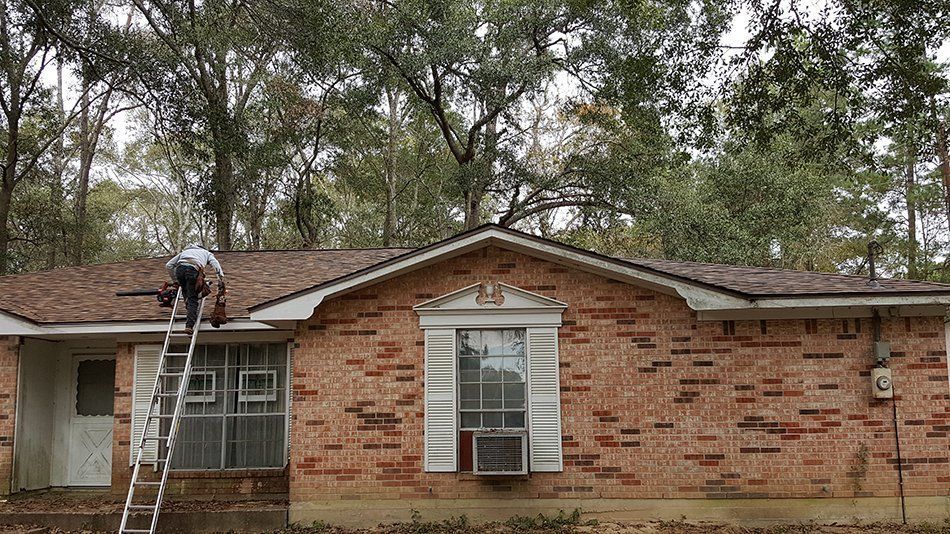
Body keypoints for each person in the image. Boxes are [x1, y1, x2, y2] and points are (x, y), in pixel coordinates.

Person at [165, 244, 225, 335]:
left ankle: (189, 311)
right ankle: (189, 326)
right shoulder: (206, 253)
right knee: (193, 299)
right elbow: (215, 264)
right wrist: (220, 279)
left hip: (179, 270)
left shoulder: (184, 252)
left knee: (187, 296)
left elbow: (169, 265)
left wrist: (176, 281)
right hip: (192, 270)